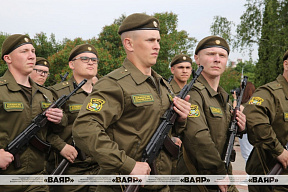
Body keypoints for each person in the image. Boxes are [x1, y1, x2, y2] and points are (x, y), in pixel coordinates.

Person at [72, 13, 191, 192]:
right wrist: (128, 165)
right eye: (150, 40)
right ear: (129, 44)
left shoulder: (162, 85)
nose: (157, 46)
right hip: (121, 185)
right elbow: (84, 128)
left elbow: (164, 130)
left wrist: (181, 120)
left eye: (158, 40)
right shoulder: (114, 84)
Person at [174, 36, 246, 192]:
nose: (217, 59)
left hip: (222, 176)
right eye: (210, 54)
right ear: (197, 59)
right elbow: (198, 137)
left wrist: (241, 127)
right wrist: (218, 173)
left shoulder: (223, 97)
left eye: (222, 55)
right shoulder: (192, 94)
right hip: (196, 181)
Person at [0, 34, 64, 192]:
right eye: (24, 51)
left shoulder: (45, 94)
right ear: (8, 58)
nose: (31, 56)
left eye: (33, 51)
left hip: (37, 179)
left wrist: (60, 119)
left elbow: (54, 132)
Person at [47, 44, 99, 192]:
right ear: (71, 64)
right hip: (71, 168)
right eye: (84, 59)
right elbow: (43, 129)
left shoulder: (104, 92)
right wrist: (61, 146)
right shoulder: (58, 92)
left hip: (100, 167)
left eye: (94, 60)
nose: (90, 62)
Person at [243, 50, 288, 192]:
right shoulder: (270, 92)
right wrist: (279, 150)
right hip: (271, 177)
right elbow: (253, 118)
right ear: (286, 64)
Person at [232, 82, 255, 162]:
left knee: (247, 155)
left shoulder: (243, 106)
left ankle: (250, 174)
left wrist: (235, 98)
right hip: (254, 131)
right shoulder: (254, 104)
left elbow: (235, 111)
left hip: (245, 133)